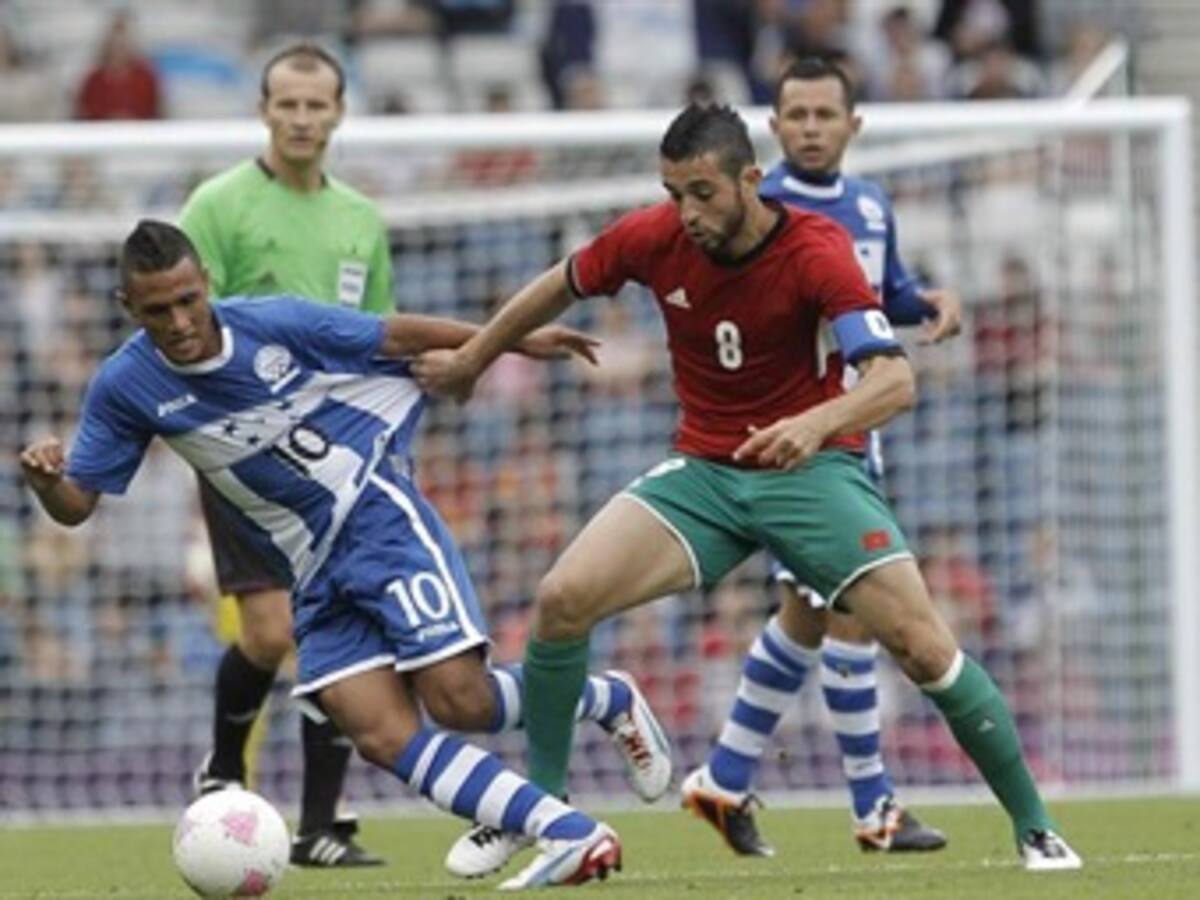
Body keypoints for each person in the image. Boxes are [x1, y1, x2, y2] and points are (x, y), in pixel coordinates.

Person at [415, 103, 1082, 880]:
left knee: (922, 645)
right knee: (563, 596)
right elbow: (559, 284)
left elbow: (894, 380)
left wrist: (816, 423)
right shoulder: (654, 236)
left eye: (702, 193)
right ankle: (546, 810)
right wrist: (475, 358)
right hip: (706, 472)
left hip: (810, 472)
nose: (687, 213)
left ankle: (1036, 828)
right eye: (674, 193)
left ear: (749, 179)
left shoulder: (815, 248)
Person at [20, 220, 672, 890]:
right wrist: (48, 483)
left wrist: (504, 342)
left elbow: (394, 335)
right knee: (378, 731)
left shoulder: (271, 323)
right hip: (309, 567)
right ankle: (571, 833)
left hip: (376, 515)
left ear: (205, 284)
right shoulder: (124, 385)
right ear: (129, 308)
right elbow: (78, 505)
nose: (181, 321)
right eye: (158, 310)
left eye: (189, 300)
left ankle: (604, 697)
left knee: (459, 702)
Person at [679, 56, 960, 858]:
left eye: (823, 115)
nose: (809, 127)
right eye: (795, 115)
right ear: (772, 127)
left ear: (852, 124)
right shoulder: (758, 211)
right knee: (852, 616)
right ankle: (874, 807)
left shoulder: (869, 206)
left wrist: (930, 300)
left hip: (853, 433)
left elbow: (881, 296)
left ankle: (725, 778)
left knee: (806, 618)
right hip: (795, 446)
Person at [177, 42, 395, 867]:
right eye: (287, 104)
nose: (302, 119)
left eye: (317, 105)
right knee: (269, 633)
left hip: (335, 460)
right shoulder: (219, 206)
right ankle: (225, 768)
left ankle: (317, 828)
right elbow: (180, 331)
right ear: (263, 109)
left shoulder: (361, 221)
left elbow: (375, 342)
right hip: (240, 451)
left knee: (331, 634)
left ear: (339, 112)